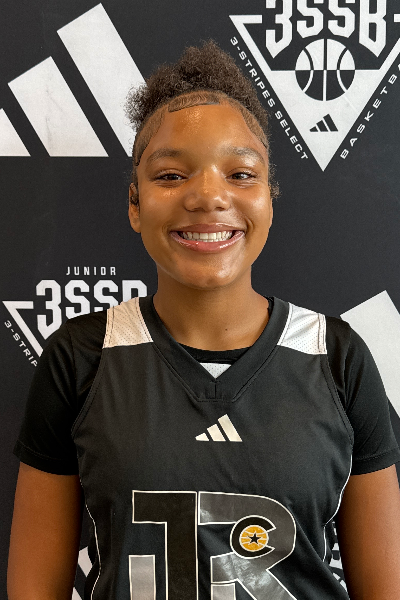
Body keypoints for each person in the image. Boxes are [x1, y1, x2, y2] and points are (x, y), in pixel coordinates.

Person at [7, 41, 400, 600]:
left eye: (240, 173)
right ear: (135, 203)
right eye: (171, 175)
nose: (209, 196)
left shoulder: (336, 357)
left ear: (269, 198)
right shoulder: (81, 357)